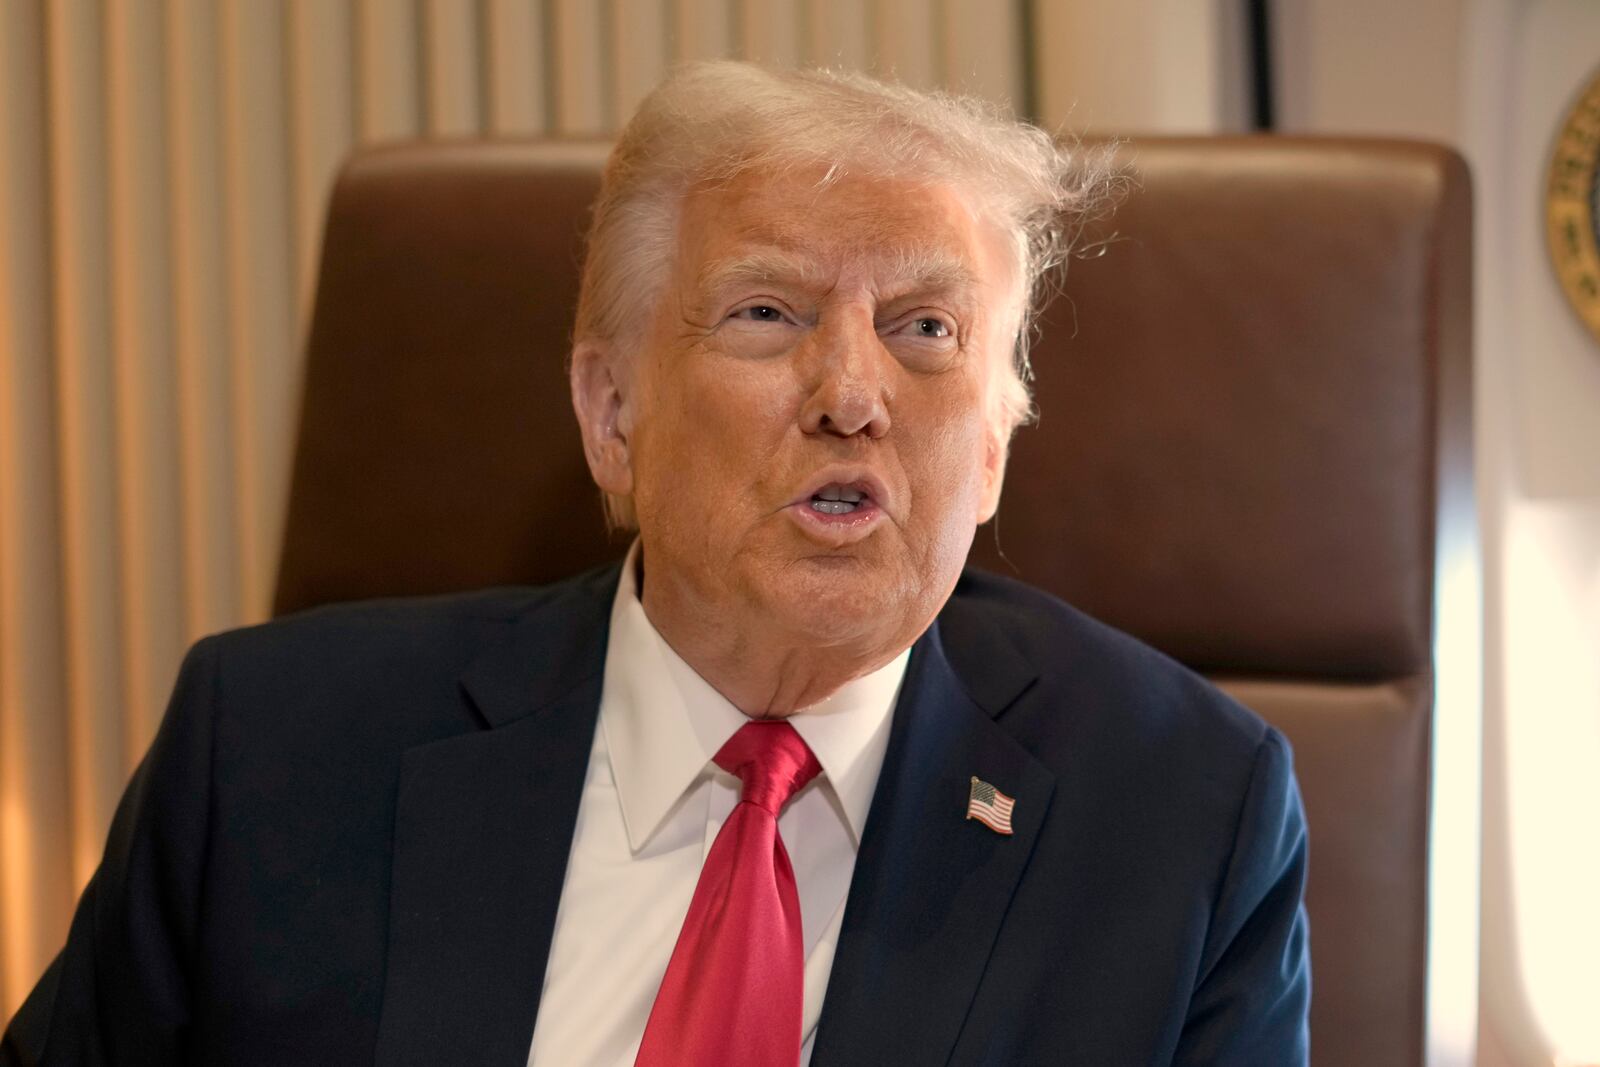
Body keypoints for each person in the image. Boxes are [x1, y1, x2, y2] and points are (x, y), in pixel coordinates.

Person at [2, 62, 1309, 1066]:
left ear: (991, 455)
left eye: (924, 328)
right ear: (612, 415)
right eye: (767, 313)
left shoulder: (1182, 818)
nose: (854, 392)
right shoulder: (268, 761)